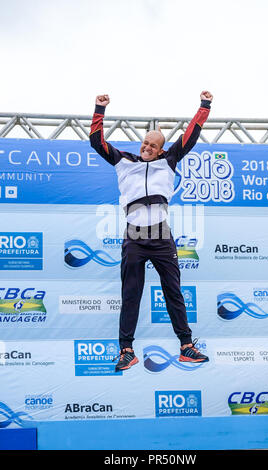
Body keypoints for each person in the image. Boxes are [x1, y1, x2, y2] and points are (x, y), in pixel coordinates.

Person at [89, 90, 213, 372]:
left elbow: (190, 135)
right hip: (134, 235)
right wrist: (99, 109)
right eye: (145, 142)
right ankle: (126, 350)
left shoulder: (169, 161)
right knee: (131, 292)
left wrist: (204, 106)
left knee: (173, 291)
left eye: (152, 145)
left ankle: (186, 346)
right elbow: (96, 141)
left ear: (160, 150)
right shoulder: (123, 162)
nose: (147, 147)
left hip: (160, 235)